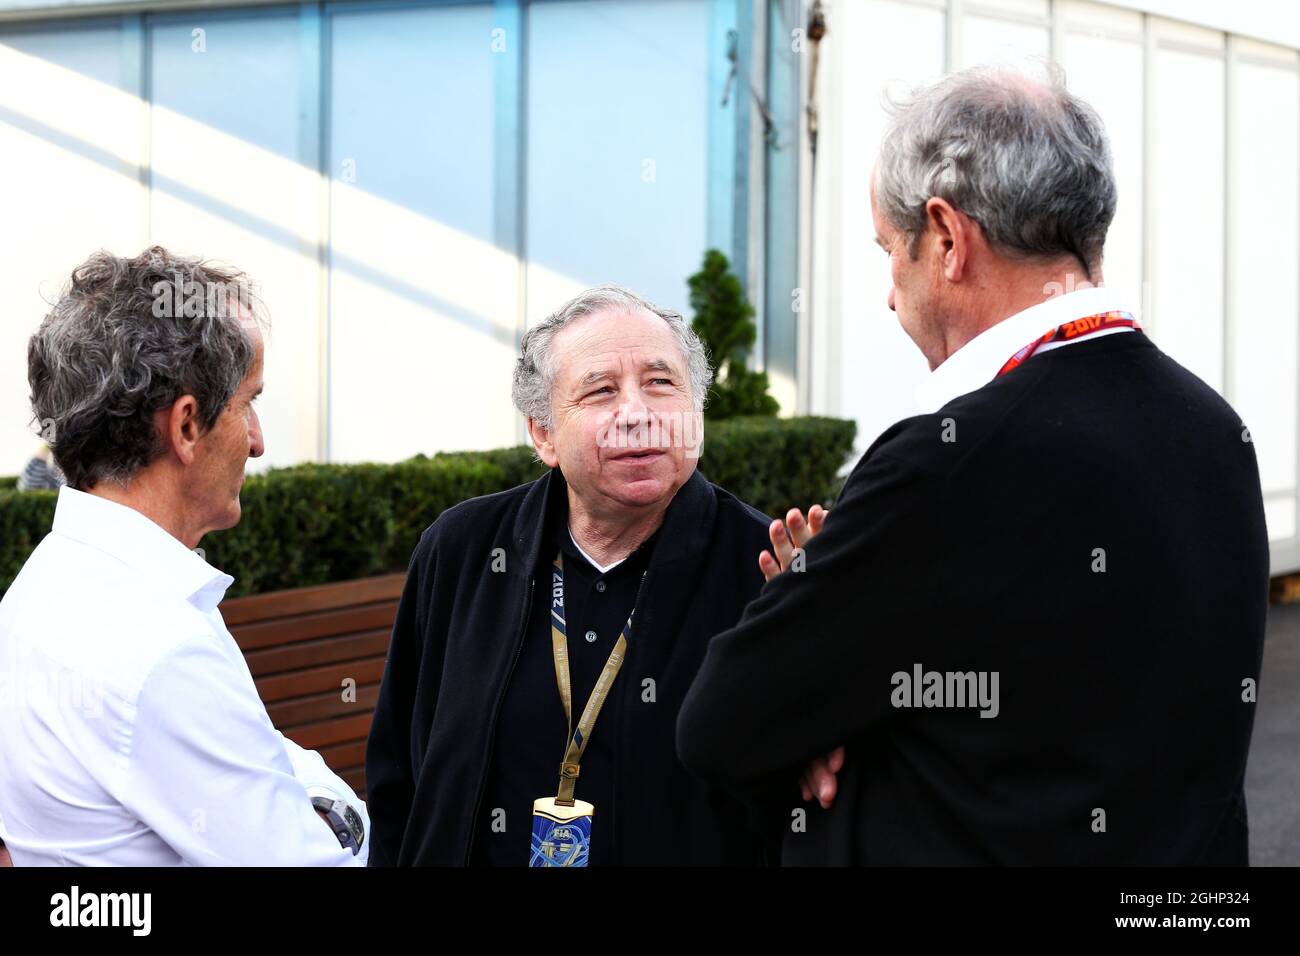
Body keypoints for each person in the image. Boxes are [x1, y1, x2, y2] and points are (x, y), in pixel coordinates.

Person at [677, 66, 1268, 865]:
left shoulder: (950, 460)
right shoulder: (1211, 426)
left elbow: (721, 721)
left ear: (948, 239)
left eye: (891, 253)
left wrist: (810, 656)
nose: (891, 295)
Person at [365, 285, 826, 866]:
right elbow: (398, 774)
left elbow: (812, 787)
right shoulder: (463, 551)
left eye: (661, 384)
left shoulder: (766, 569)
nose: (636, 414)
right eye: (600, 390)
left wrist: (828, 630)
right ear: (543, 432)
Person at [0, 247, 368, 865]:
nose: (257, 441)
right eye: (248, 402)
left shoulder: (43, 588)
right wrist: (342, 812)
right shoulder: (157, 645)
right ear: (187, 426)